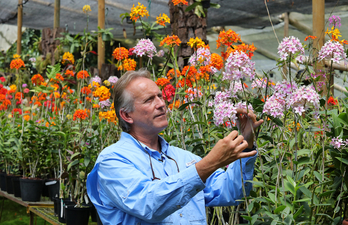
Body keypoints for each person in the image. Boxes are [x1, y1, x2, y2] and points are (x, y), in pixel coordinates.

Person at [87, 69, 263, 225]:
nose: (161, 104)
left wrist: (245, 144)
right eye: (149, 100)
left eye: (160, 96)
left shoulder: (184, 158)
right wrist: (210, 163)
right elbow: (149, 205)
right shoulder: (112, 160)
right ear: (126, 115)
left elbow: (232, 192)